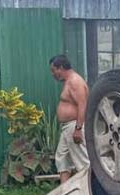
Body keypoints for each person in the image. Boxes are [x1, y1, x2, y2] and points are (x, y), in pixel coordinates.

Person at [49, 54, 90, 184]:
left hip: (74, 126)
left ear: (60, 68)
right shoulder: (68, 82)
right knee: (62, 157)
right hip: (67, 127)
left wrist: (78, 129)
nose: (53, 74)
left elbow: (83, 105)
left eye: (53, 70)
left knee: (83, 162)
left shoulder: (74, 81)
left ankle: (92, 190)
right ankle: (64, 190)